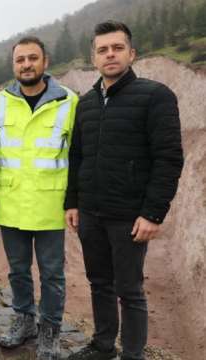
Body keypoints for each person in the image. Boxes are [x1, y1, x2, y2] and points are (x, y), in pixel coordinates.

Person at [65, 21, 183, 360]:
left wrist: (153, 213)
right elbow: (78, 156)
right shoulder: (85, 103)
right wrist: (73, 203)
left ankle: (133, 354)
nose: (110, 54)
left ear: (132, 53)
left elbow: (169, 158)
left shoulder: (155, 96)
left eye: (117, 48)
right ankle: (103, 345)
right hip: (90, 213)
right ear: (94, 58)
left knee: (129, 290)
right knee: (99, 282)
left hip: (130, 216)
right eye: (102, 50)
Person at [0, 36, 78, 360]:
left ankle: (50, 330)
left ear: (45, 61)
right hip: (11, 203)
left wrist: (73, 201)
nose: (26, 64)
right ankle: (24, 320)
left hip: (49, 206)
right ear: (13, 65)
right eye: (20, 59)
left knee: (52, 274)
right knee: (17, 270)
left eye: (32, 58)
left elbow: (77, 155)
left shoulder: (69, 102)